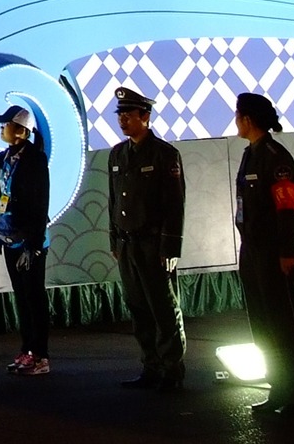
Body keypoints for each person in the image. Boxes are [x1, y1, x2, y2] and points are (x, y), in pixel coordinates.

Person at [234, 91, 294, 419]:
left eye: (238, 115)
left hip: (273, 253)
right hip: (252, 252)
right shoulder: (249, 155)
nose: (236, 121)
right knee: (263, 325)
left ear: (248, 119)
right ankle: (278, 388)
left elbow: (286, 208)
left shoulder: (275, 157)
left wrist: (287, 251)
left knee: (284, 325)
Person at [108, 86, 187, 390]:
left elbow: (174, 204)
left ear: (145, 116)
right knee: (138, 308)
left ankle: (172, 369)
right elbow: (114, 201)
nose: (123, 120)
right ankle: (150, 366)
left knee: (163, 309)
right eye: (120, 115)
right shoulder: (118, 154)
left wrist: (170, 246)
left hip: (154, 245)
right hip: (128, 245)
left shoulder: (165, 154)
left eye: (128, 114)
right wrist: (114, 240)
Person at [0, 104, 51, 375]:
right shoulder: (2, 160)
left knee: (34, 297)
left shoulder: (35, 161)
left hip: (29, 240)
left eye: (6, 124)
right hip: (8, 236)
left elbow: (40, 203)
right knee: (22, 298)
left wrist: (34, 244)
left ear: (21, 132)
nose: (2, 129)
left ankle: (41, 356)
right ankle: (26, 350)